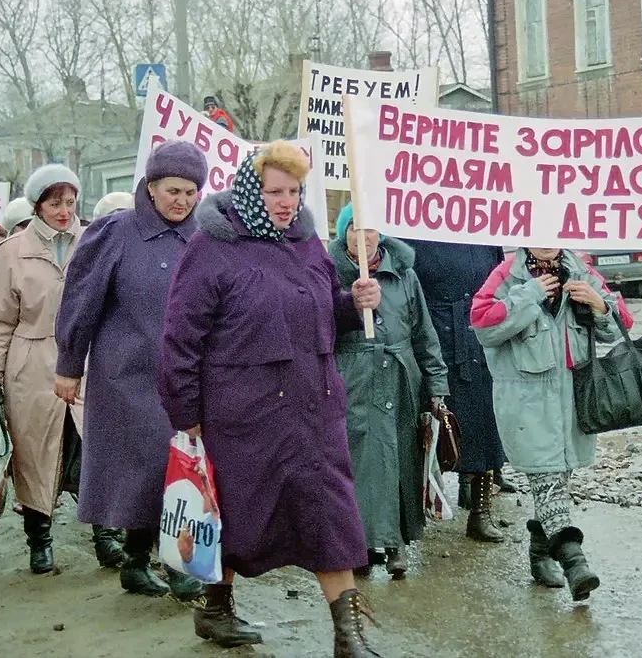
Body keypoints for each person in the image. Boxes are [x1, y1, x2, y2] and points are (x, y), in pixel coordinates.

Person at [159, 143, 383, 655]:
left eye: (294, 191)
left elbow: (321, 313)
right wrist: (186, 414)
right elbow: (180, 338)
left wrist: (353, 305)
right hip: (242, 416)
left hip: (314, 409)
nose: (286, 202)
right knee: (236, 516)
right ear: (248, 191)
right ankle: (214, 608)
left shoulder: (307, 243)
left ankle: (349, 637)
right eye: (274, 191)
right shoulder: (212, 247)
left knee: (330, 515)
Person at [54, 141, 209, 602]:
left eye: (191, 192)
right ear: (151, 187)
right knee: (148, 469)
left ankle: (150, 561)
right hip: (127, 377)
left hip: (186, 377)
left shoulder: (205, 238)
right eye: (173, 191)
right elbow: (81, 301)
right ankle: (156, 562)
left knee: (179, 469)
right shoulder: (115, 233)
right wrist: (69, 365)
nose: (182, 201)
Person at [0, 164, 124, 574]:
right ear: (37, 206)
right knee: (33, 456)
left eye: (70, 202)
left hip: (88, 362)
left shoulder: (96, 241)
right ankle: (39, 541)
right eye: (54, 203)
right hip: (30, 364)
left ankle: (106, 536)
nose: (64, 211)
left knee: (95, 448)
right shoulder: (11, 252)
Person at [470, 247, 626, 603]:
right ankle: (574, 562)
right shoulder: (507, 274)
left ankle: (539, 553)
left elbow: (622, 327)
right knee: (548, 482)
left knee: (555, 483)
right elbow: (483, 325)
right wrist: (530, 294)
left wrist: (600, 307)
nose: (545, 240)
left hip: (573, 407)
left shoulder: (582, 271)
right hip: (526, 407)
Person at [327, 204, 449, 580]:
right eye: (353, 228)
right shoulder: (329, 275)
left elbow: (423, 333)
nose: (362, 237)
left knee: (400, 459)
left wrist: (436, 386)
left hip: (400, 378)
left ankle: (396, 543)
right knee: (358, 462)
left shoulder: (404, 275)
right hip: (354, 378)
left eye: (369, 228)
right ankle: (361, 544)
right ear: (343, 234)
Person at [399, 238, 508, 541]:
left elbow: (499, 276)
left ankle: (480, 510)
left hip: (478, 333)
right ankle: (415, 511)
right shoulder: (414, 233)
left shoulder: (484, 234)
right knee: (426, 428)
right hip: (433, 334)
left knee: (484, 423)